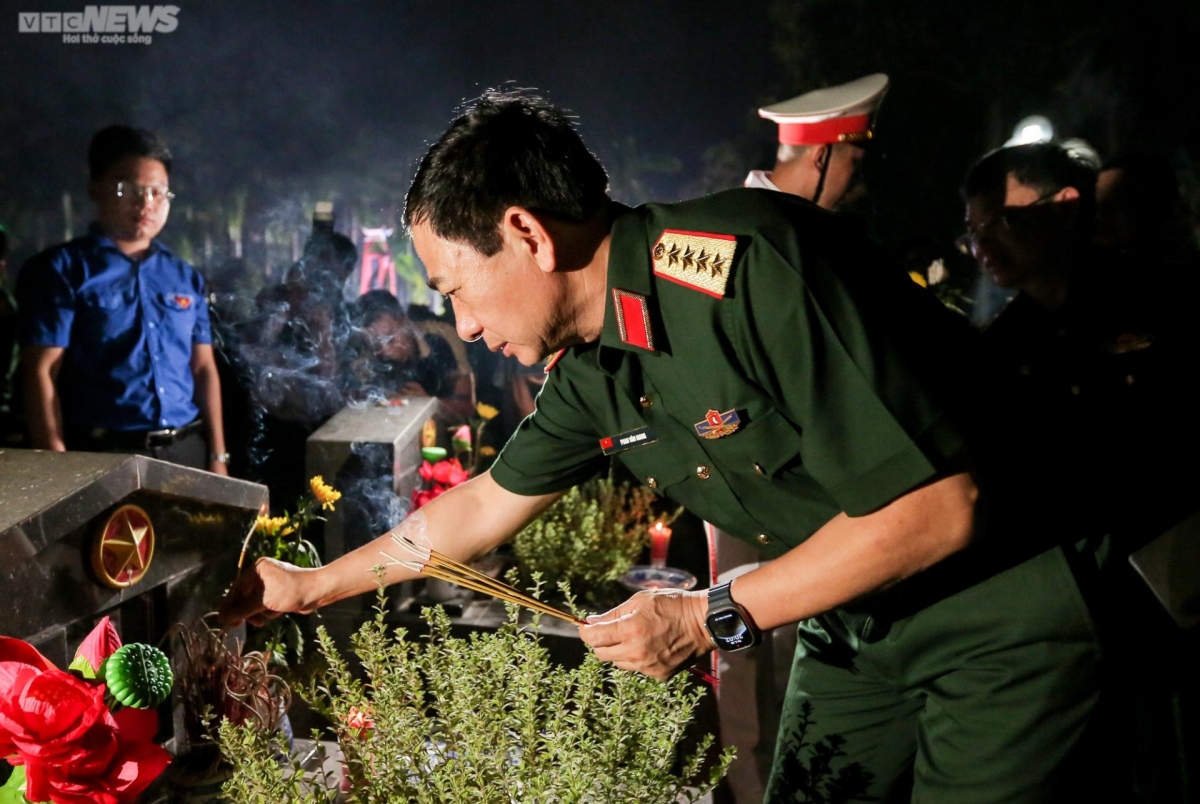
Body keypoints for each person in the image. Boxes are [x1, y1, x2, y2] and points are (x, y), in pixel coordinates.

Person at [222, 91, 1100, 803]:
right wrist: (309, 585)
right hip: (858, 628)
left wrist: (704, 613)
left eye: (458, 288)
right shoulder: (596, 364)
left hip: (996, 620)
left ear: (527, 234)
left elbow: (937, 508)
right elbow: (484, 504)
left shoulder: (749, 267)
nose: (464, 325)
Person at [963, 142, 1199, 802]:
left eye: (996, 222)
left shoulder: (1164, 296)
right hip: (1082, 606)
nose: (981, 244)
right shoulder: (1005, 345)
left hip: (1180, 578)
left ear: (1063, 208)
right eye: (972, 231)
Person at [16, 125, 227, 473]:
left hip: (186, 452)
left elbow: (203, 368)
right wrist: (54, 464)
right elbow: (41, 369)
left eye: (158, 192)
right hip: (104, 454)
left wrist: (219, 457)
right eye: (128, 188)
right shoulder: (62, 269)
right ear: (95, 189)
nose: (145, 203)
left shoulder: (185, 276)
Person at [744, 73, 888, 210]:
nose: (857, 181)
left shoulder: (749, 216)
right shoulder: (739, 224)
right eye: (854, 162)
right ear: (821, 158)